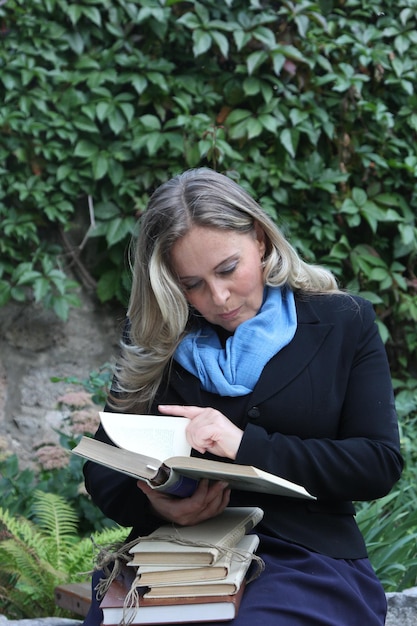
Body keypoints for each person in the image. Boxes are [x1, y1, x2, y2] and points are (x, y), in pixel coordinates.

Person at [82, 168, 403, 626]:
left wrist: (244, 446)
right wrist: (157, 503)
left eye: (228, 269)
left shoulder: (343, 322)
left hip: (306, 561)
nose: (218, 297)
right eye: (191, 283)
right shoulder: (158, 335)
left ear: (261, 239)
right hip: (177, 559)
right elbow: (103, 468)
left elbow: (377, 462)